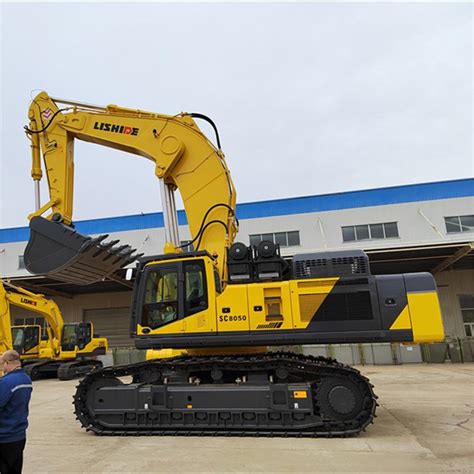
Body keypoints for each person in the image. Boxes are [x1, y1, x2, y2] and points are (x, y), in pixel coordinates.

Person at [0, 350, 33, 474]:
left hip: (4, 436)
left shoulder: (6, 382)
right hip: (18, 434)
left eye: (3, 363)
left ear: (7, 363)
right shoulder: (26, 379)